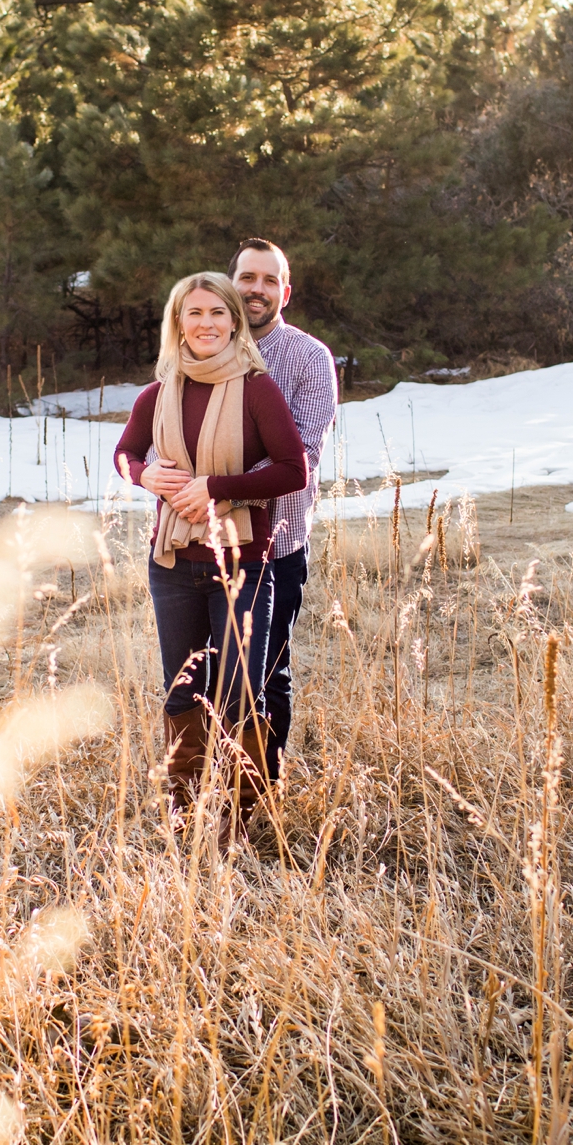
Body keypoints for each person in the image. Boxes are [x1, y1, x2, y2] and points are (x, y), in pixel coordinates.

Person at [113, 272, 306, 846]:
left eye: (217, 313)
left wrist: (217, 488)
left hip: (244, 560)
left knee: (240, 691)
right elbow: (124, 454)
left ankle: (238, 825)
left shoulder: (257, 389)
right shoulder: (157, 393)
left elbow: (293, 470)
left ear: (233, 321)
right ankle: (183, 814)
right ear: (178, 323)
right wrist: (147, 474)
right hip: (173, 563)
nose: (205, 324)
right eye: (193, 313)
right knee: (183, 690)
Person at [230, 238, 338, 786]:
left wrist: (216, 483)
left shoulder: (309, 358)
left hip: (277, 546)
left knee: (266, 672)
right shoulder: (201, 347)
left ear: (285, 292)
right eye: (248, 277)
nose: (257, 289)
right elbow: (160, 436)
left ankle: (259, 789)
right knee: (206, 669)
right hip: (204, 544)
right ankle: (204, 793)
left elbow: (303, 458)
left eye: (269, 280)